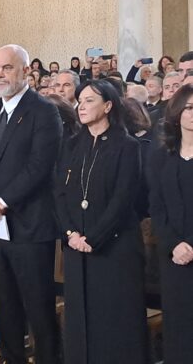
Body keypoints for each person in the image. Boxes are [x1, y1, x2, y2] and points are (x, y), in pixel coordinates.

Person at [0, 44, 62, 364]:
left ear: (25, 71)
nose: (0, 75)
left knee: (38, 308)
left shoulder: (43, 110)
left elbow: (39, 166)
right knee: (5, 305)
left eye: (7, 68)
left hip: (30, 225)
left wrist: (3, 202)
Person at [54, 80, 148, 364]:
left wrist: (92, 238)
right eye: (79, 101)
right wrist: (71, 233)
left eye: (89, 101)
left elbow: (123, 199)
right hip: (76, 247)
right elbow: (59, 193)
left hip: (113, 248)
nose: (81, 107)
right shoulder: (71, 144)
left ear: (108, 106)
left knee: (114, 321)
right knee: (81, 321)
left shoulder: (127, 146)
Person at [149, 84, 193, 363]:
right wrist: (174, 244)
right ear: (177, 113)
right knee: (178, 325)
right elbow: (156, 206)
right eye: (189, 108)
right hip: (173, 254)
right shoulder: (161, 156)